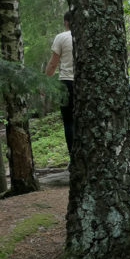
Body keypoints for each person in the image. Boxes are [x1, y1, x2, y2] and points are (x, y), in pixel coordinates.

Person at [45, 11, 74, 155]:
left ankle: (74, 157)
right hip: (85, 83)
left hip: (66, 83)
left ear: (66, 22)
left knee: (69, 122)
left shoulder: (61, 37)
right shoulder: (86, 36)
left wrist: (44, 81)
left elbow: (52, 64)